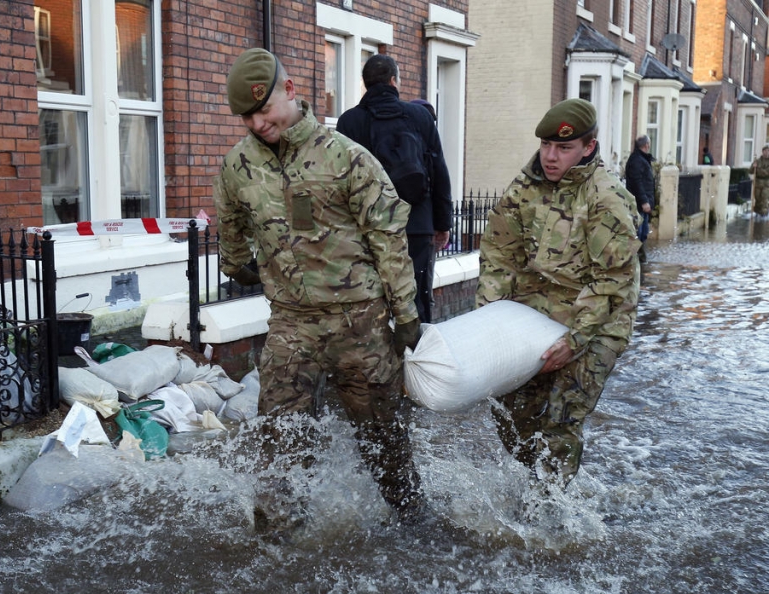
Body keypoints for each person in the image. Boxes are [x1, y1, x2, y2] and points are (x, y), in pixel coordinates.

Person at [212, 48, 425, 535]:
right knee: (280, 437)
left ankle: (412, 519)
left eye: (263, 111)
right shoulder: (237, 166)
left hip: (360, 323)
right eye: (247, 116)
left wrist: (405, 315)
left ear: (289, 91)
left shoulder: (345, 156)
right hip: (291, 323)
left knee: (384, 437)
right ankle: (280, 541)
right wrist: (238, 266)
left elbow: (387, 238)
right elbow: (231, 225)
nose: (257, 124)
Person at [476, 98, 641, 489]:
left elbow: (611, 283)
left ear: (588, 146)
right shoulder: (525, 186)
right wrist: (490, 318)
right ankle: (539, 481)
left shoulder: (606, 198)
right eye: (546, 146)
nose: (550, 157)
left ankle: (551, 516)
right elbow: (500, 252)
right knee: (510, 410)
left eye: (564, 148)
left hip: (600, 320)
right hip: (536, 310)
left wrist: (575, 341)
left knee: (561, 417)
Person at [336, 54, 453, 323]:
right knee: (416, 303)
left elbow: (340, 181)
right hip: (416, 226)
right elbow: (439, 171)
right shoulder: (420, 117)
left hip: (367, 230)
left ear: (366, 84)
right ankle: (417, 359)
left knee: (370, 302)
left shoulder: (349, 122)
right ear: (393, 81)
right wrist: (442, 223)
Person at [624, 135, 654, 263]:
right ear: (646, 145)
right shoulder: (637, 160)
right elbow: (637, 183)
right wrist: (644, 201)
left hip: (640, 203)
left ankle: (639, 260)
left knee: (642, 233)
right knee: (638, 234)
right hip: (638, 204)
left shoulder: (640, 159)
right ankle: (634, 260)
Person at [750, 144, 769, 217]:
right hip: (757, 184)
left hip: (766, 185)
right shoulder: (757, 161)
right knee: (757, 199)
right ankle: (758, 216)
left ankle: (764, 217)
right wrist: (753, 167)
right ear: (763, 151)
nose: (767, 152)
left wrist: (758, 170)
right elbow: (750, 171)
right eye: (766, 151)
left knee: (764, 199)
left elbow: (766, 173)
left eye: (768, 151)